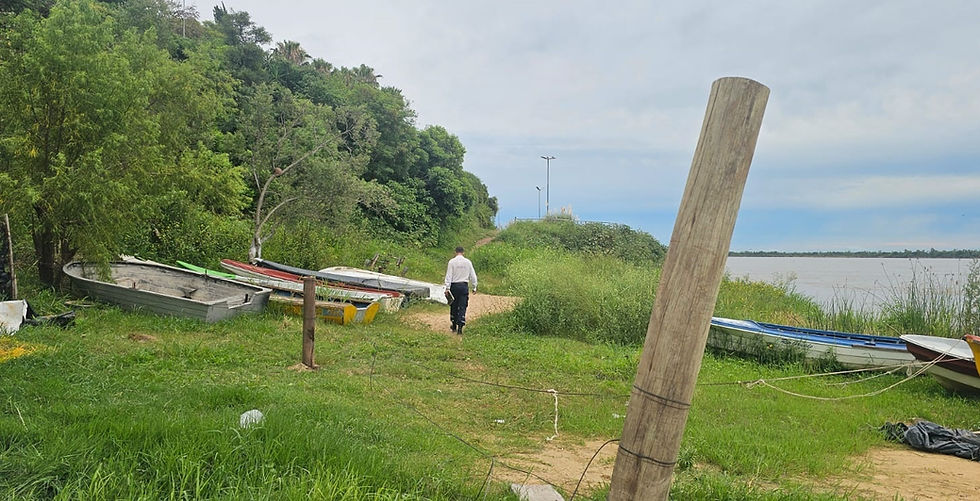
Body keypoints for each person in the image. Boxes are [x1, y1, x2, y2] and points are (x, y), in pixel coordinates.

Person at [444, 246, 477, 335]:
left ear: (455, 252)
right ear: (463, 252)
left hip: (454, 286)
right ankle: (460, 326)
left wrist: (447, 287)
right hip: (463, 286)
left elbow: (449, 275)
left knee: (453, 304)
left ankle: (454, 323)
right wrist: (474, 286)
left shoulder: (451, 262)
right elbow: (473, 275)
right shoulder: (468, 262)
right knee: (462, 305)